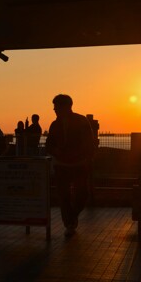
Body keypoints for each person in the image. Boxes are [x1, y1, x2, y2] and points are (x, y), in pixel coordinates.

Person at [44, 94, 98, 238]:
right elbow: (49, 144)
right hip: (61, 165)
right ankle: (69, 223)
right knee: (63, 196)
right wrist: (56, 151)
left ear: (66, 107)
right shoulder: (54, 125)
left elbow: (89, 143)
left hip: (79, 164)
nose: (54, 109)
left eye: (57, 107)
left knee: (82, 193)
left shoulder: (81, 121)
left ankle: (72, 217)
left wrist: (87, 158)